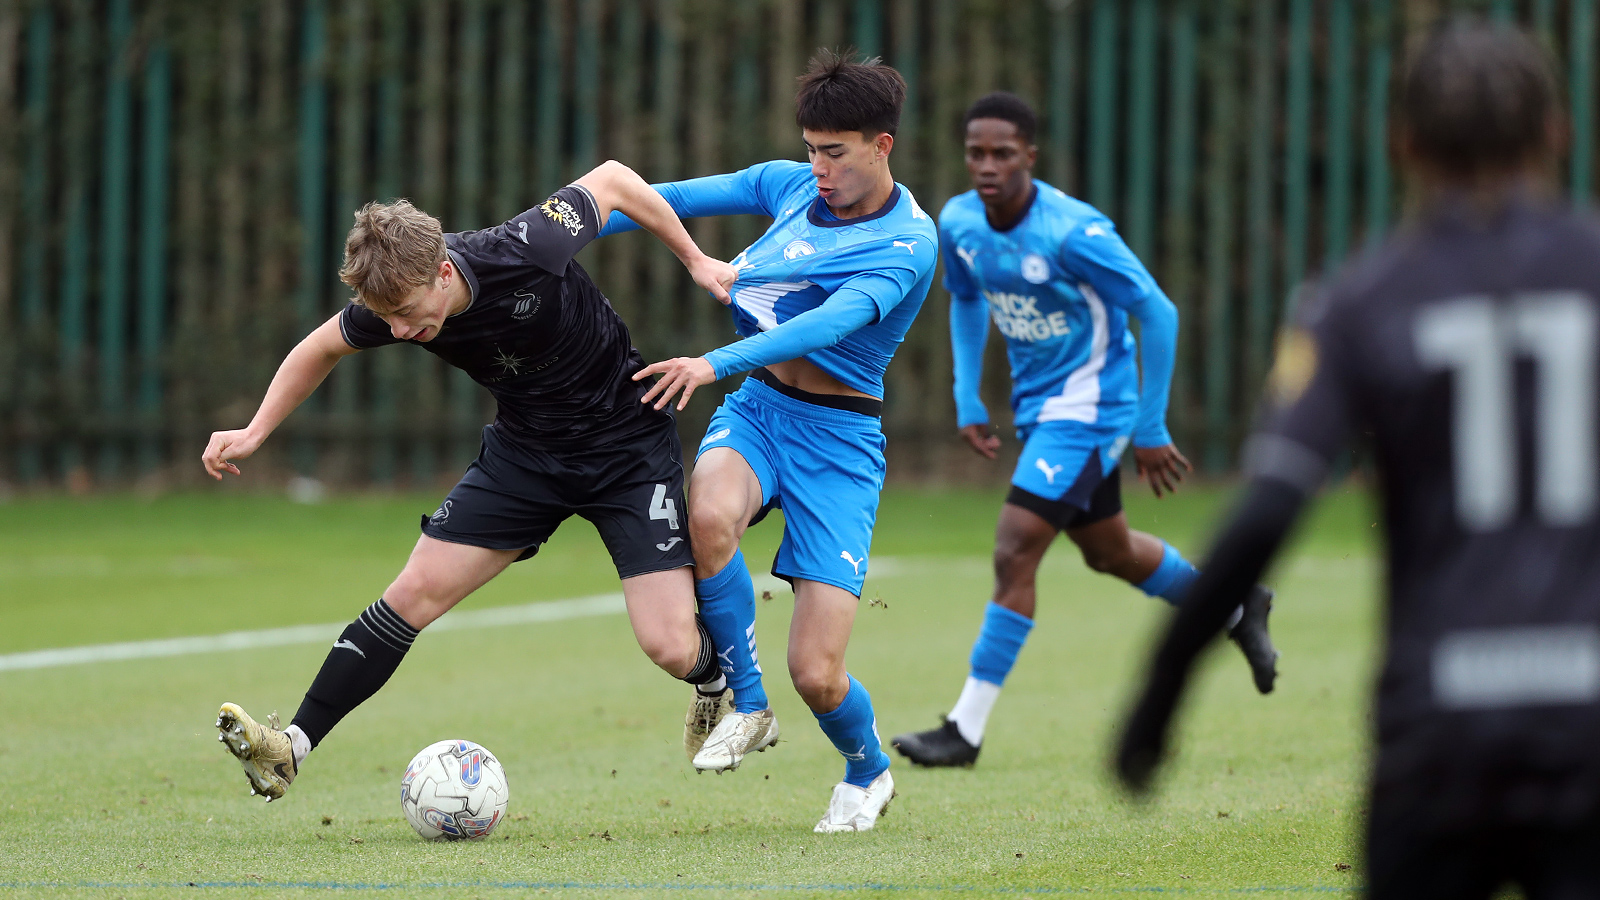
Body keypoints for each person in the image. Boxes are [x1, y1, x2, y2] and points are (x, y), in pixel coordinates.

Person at [1116, 21, 1600, 899]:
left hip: (1439, 733)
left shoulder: (1362, 301)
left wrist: (1159, 697)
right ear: (1557, 132)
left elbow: (1266, 512)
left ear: (1404, 144)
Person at [202, 160, 737, 801]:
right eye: (386, 318)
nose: (398, 331)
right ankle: (293, 746)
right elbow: (319, 347)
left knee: (670, 645)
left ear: (444, 271)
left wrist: (697, 261)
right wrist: (257, 430)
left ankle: (714, 683)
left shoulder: (528, 245)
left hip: (627, 451)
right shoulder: (393, 303)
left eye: (404, 313)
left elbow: (618, 180)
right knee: (412, 592)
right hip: (526, 457)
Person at [890, 93, 1279, 768]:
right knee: (1112, 552)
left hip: (1094, 404)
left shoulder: (1072, 232)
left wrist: (1150, 426)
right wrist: (965, 394)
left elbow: (1158, 311)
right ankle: (1235, 605)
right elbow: (967, 298)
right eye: (976, 153)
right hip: (1041, 406)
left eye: (1003, 154)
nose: (988, 166)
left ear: (1030, 158)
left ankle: (965, 728)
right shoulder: (958, 221)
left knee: (1015, 548)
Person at [601, 50, 937, 832]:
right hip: (761, 412)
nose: (817, 168)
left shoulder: (906, 244)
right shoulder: (788, 185)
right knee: (708, 514)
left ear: (882, 145)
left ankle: (866, 770)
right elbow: (665, 199)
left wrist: (712, 362)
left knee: (817, 674)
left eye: (836, 152)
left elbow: (831, 323)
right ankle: (747, 706)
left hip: (840, 447)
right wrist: (553, 230)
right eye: (811, 147)